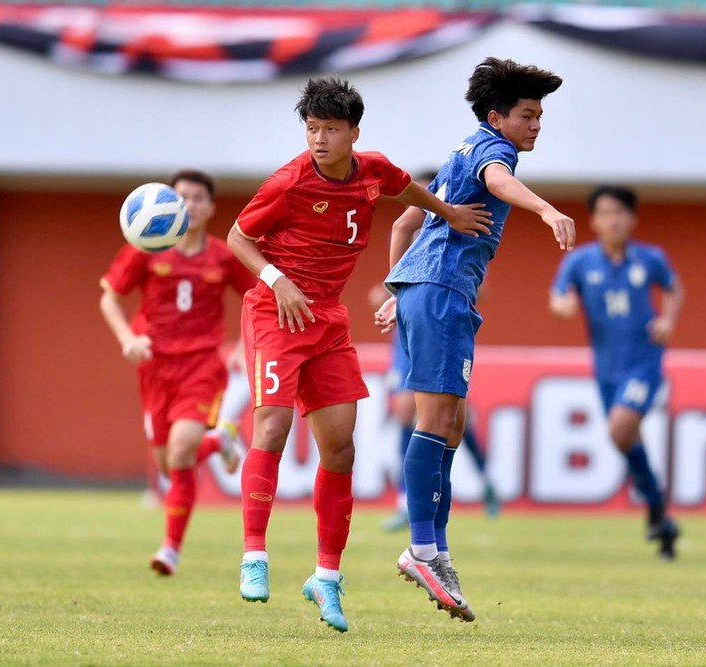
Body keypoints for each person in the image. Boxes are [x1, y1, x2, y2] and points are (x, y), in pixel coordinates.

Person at [227, 77, 491, 633]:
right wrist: (278, 281)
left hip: (328, 320)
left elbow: (407, 192)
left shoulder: (372, 170)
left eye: (329, 129)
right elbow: (237, 237)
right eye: (311, 129)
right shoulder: (289, 181)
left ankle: (325, 577)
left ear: (353, 132)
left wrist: (449, 212)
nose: (318, 139)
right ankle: (255, 554)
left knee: (341, 449)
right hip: (276, 312)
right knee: (271, 427)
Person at [376, 57, 573, 622]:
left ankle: (435, 549)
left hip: (431, 290)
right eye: (528, 115)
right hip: (440, 292)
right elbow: (497, 181)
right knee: (432, 420)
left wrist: (398, 287)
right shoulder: (492, 151)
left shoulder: (459, 149)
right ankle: (421, 549)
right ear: (497, 117)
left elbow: (403, 224)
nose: (537, 125)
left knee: (451, 424)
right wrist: (545, 208)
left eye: (540, 116)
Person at [99, 169, 256, 576]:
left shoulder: (223, 255)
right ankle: (220, 439)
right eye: (182, 196)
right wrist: (127, 339)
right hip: (154, 367)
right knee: (170, 465)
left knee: (181, 449)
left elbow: (256, 297)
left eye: (198, 198)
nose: (190, 203)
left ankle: (170, 548)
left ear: (210, 208)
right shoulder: (146, 246)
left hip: (202, 364)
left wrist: (242, 345)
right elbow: (109, 299)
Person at [549, 185, 683, 559]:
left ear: (632, 219)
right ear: (593, 220)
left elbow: (673, 289)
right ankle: (660, 514)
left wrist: (668, 320)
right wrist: (564, 305)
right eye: (606, 213)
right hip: (606, 369)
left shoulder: (650, 258)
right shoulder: (580, 263)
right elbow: (558, 298)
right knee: (624, 439)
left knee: (620, 429)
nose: (614, 220)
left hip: (644, 363)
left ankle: (657, 509)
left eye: (620, 212)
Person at [369, 281, 499, 533]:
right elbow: (383, 289)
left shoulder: (453, 242)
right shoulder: (405, 243)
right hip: (406, 340)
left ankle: (486, 482)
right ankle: (404, 503)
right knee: (405, 414)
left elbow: (479, 285)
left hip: (442, 329)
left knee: (456, 421)